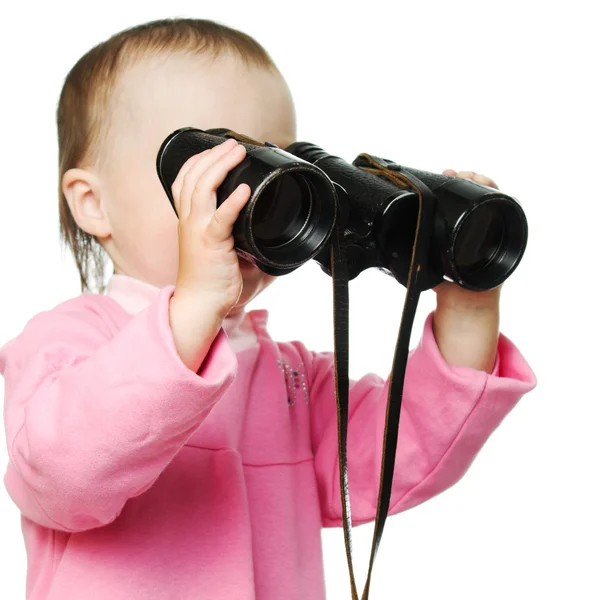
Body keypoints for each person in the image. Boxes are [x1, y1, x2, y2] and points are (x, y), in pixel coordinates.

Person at [0, 17, 536, 600]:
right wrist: (194, 306)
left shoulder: (291, 378)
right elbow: (63, 478)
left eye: (275, 169)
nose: (254, 200)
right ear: (92, 204)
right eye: (216, 171)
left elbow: (399, 457)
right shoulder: (69, 343)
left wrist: (468, 309)